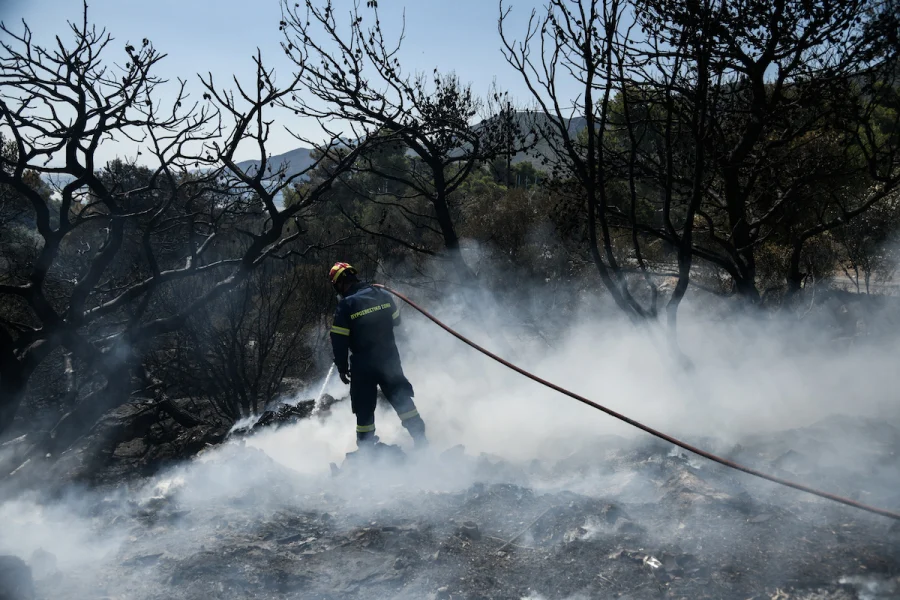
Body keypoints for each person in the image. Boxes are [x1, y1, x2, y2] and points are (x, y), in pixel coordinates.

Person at [328, 262, 427, 449]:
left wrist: (342, 367)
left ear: (340, 283)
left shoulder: (346, 305)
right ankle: (421, 439)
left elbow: (338, 341)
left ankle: (366, 452)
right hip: (389, 358)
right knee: (401, 398)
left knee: (364, 408)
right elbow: (397, 321)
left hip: (363, 365)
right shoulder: (383, 294)